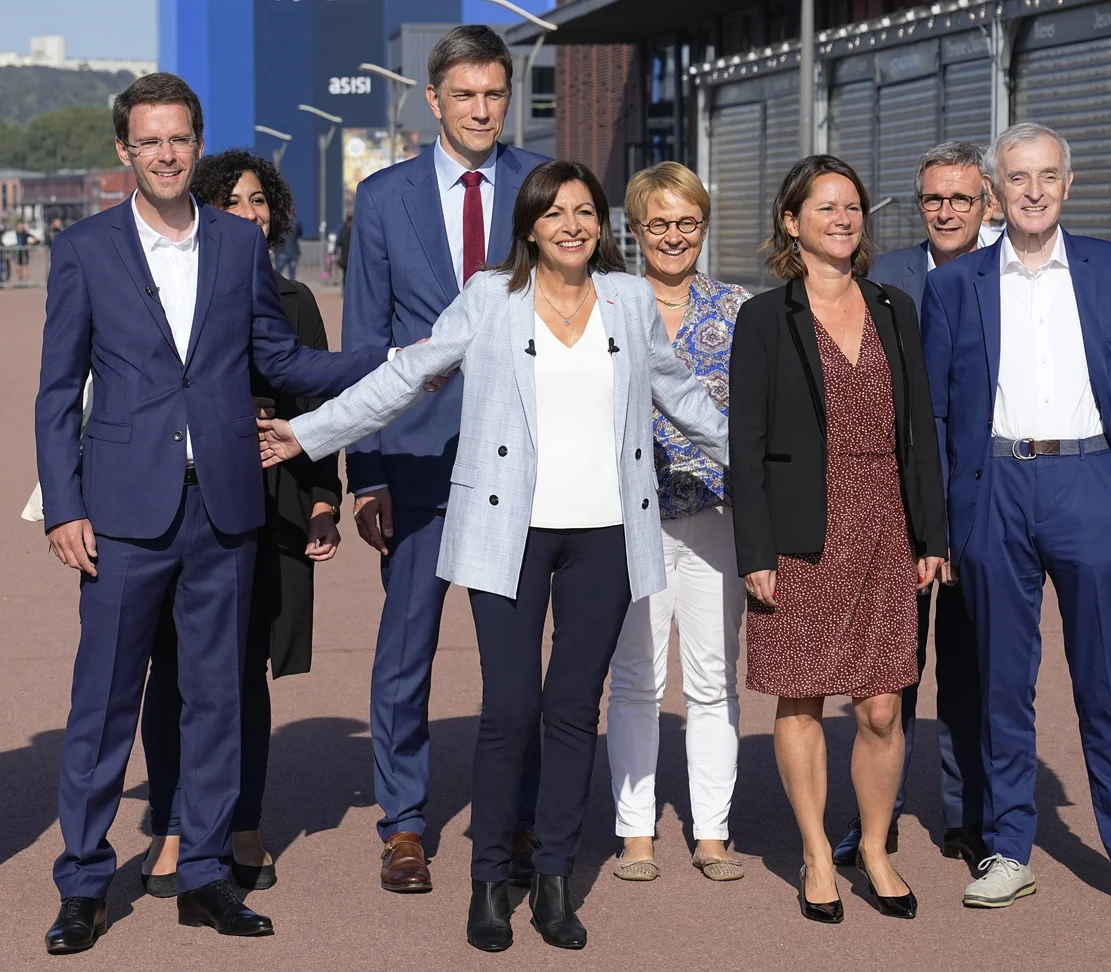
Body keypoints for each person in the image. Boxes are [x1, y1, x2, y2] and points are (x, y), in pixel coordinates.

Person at [258, 159, 728, 952]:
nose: (572, 226)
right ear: (530, 227)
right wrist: (308, 433)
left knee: (573, 711)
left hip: (606, 536)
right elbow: (406, 374)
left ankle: (552, 883)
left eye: (585, 212)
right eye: (555, 213)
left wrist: (766, 467)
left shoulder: (628, 298)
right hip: (509, 532)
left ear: (602, 224)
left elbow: (683, 398)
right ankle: (487, 883)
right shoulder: (490, 297)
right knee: (510, 709)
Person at [34, 73, 387, 955]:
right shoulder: (83, 249)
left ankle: (204, 877)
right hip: (121, 513)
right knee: (103, 704)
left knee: (219, 701)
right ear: (124, 150)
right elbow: (55, 395)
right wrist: (63, 507)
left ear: (197, 142)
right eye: (149, 140)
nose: (165, 154)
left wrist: (390, 360)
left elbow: (283, 360)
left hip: (224, 509)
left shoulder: (236, 244)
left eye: (179, 138)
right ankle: (83, 884)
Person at [922, 122, 1111, 919]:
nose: (1033, 191)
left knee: (1105, 682)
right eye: (1018, 178)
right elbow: (936, 414)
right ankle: (1009, 848)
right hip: (994, 490)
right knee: (1002, 683)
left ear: (1067, 186)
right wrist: (946, 523)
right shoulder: (956, 284)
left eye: (1047, 177)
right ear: (995, 193)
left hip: (1091, 485)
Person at [340, 24, 549, 894]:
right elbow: (365, 338)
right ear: (432, 100)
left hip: (524, 457)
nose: (481, 110)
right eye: (464, 95)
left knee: (516, 660)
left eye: (494, 94)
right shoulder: (382, 197)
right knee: (406, 651)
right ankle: (403, 823)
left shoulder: (544, 185)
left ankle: (520, 821)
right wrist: (368, 472)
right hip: (416, 459)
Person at [729, 154, 947, 924]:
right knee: (803, 696)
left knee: (883, 705)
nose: (843, 218)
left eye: (852, 206)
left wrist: (931, 532)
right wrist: (755, 550)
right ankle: (818, 853)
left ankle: (877, 849)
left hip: (886, 523)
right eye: (825, 207)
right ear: (792, 222)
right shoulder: (764, 317)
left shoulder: (893, 307)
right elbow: (746, 444)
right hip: (801, 532)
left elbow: (918, 432)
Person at [137, 149, 345, 898]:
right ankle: (172, 822)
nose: (249, 214)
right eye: (230, 202)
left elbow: (319, 409)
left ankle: (243, 823)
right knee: (173, 669)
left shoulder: (295, 300)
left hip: (272, 496)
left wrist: (323, 500)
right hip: (181, 496)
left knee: (246, 670)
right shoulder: (168, 288)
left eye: (258, 201)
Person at [832, 140, 988, 869]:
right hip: (894, 506)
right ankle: (878, 815)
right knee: (890, 669)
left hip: (985, 500)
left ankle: (967, 816)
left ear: (986, 202)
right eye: (933, 198)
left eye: (960, 198)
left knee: (971, 664)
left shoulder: (1008, 274)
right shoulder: (884, 277)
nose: (946, 211)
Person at [605, 162, 749, 883]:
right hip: (627, 519)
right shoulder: (606, 304)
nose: (673, 236)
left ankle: (712, 832)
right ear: (634, 229)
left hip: (716, 518)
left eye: (687, 222)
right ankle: (635, 832)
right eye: (658, 223)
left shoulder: (739, 310)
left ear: (704, 226)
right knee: (634, 677)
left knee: (713, 677)